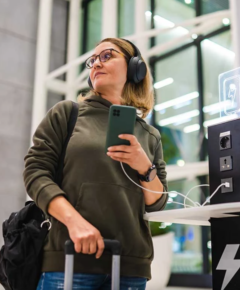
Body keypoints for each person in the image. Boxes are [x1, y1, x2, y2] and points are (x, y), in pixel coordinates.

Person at [23, 37, 168, 290]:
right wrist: (74, 222)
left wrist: (145, 167)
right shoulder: (67, 114)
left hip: (130, 267)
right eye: (93, 60)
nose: (96, 64)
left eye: (107, 56)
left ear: (135, 68)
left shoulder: (150, 135)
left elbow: (157, 202)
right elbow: (35, 173)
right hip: (69, 258)